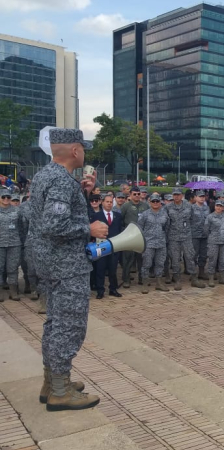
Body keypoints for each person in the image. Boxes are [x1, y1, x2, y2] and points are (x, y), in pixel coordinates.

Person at [30, 128, 106, 411]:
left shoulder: (46, 175)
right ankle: (60, 390)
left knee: (54, 323)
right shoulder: (61, 181)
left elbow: (49, 217)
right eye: (83, 148)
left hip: (51, 262)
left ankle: (53, 382)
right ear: (75, 150)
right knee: (69, 325)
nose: (84, 152)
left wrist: (83, 192)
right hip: (65, 265)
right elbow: (54, 225)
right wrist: (89, 227)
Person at [165, 188, 205, 290]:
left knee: (190, 257)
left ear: (182, 195)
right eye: (174, 195)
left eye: (178, 194)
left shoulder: (188, 206)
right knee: (175, 259)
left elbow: (192, 219)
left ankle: (194, 279)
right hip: (173, 237)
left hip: (186, 236)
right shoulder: (168, 207)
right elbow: (166, 223)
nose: (176, 197)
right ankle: (177, 279)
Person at [91, 196, 123, 299]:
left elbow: (120, 229)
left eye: (110, 202)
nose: (109, 204)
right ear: (103, 203)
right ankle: (100, 290)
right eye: (107, 202)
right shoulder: (96, 216)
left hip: (114, 246)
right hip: (102, 246)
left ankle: (113, 289)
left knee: (113, 269)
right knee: (100, 268)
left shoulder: (118, 216)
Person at [138, 193, 170, 294]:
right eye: (153, 201)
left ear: (160, 202)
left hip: (161, 243)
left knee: (160, 263)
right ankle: (144, 284)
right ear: (150, 202)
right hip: (149, 243)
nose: (155, 203)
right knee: (147, 264)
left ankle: (159, 283)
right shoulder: (144, 215)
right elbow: (139, 229)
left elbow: (167, 227)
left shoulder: (164, 214)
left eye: (157, 201)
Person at [120, 188, 148, 288]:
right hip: (129, 237)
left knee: (142, 259)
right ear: (130, 195)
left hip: (141, 237)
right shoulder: (125, 206)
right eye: (134, 194)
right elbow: (120, 219)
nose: (137, 196)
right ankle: (126, 279)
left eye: (138, 194)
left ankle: (142, 278)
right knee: (128, 259)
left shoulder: (145, 206)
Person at [191, 191, 211, 280]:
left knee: (204, 254)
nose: (202, 198)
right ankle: (193, 273)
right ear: (195, 197)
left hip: (205, 235)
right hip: (194, 234)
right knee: (193, 254)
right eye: (200, 196)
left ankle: (201, 272)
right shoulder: (191, 208)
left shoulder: (207, 208)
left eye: (203, 196)